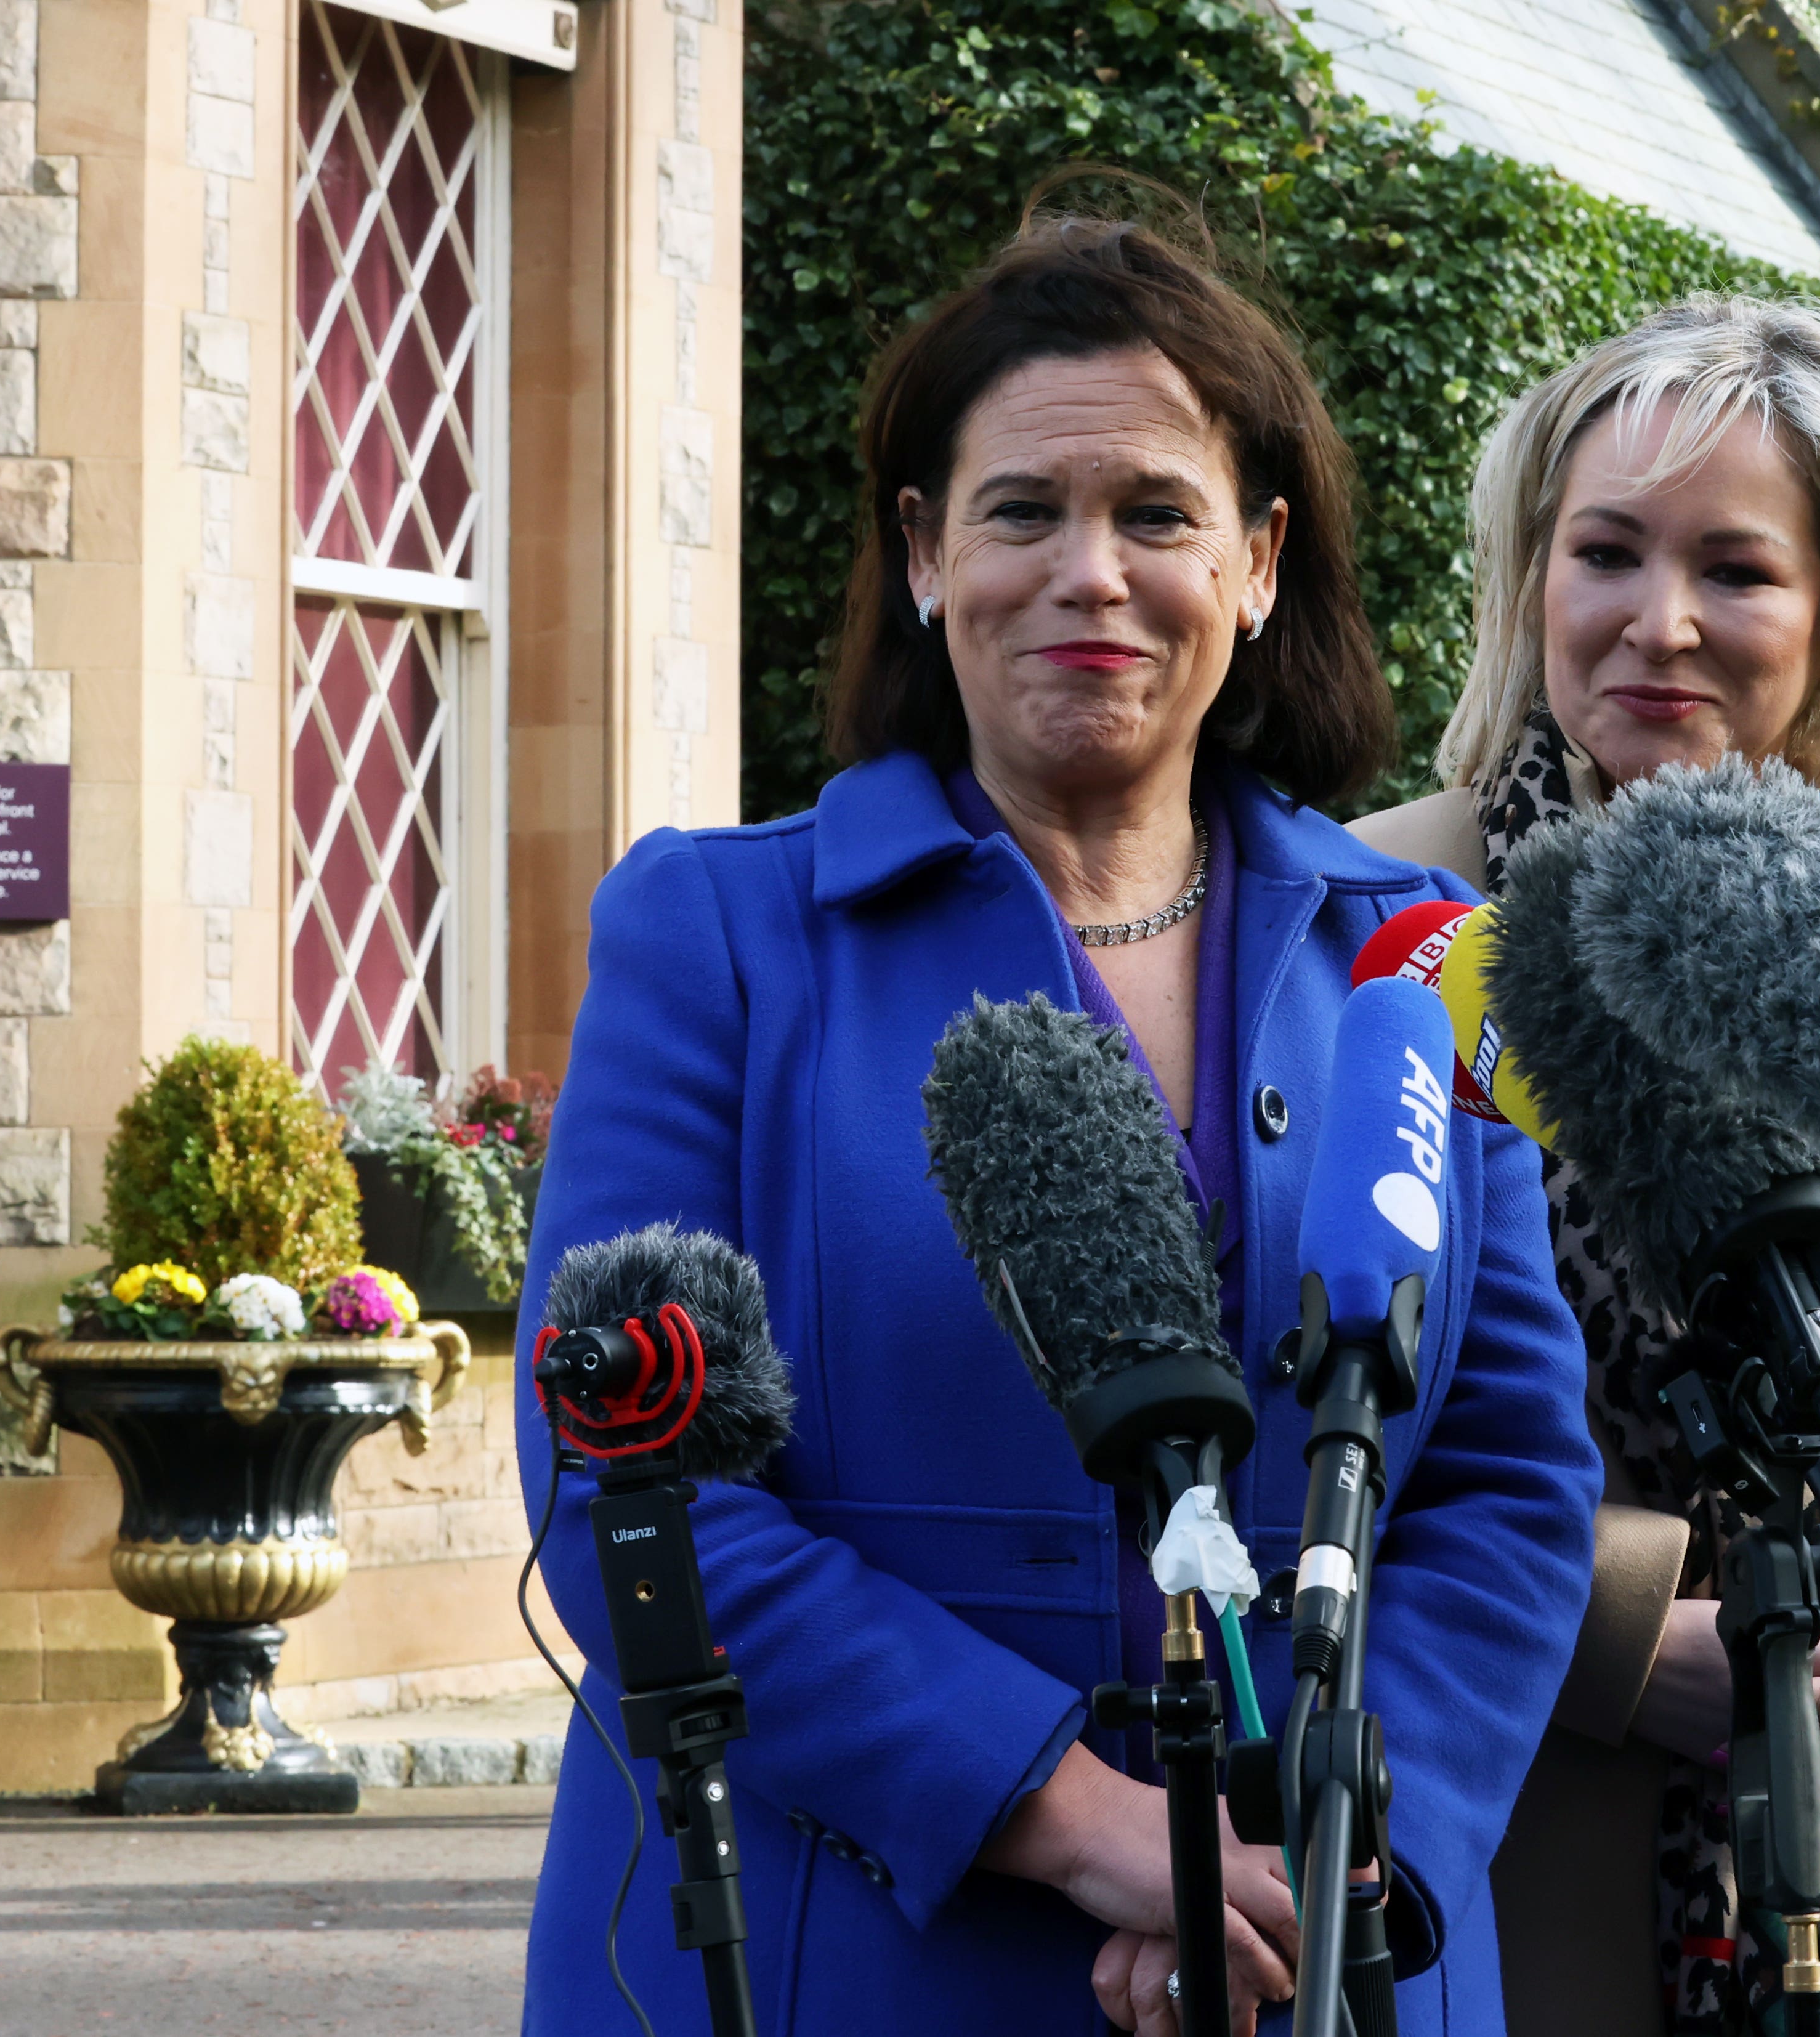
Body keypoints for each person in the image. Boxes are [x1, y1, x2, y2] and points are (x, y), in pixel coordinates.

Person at [516, 216, 1602, 2036]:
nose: (1089, 573)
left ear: (1258, 564)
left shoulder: (1422, 963)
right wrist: (1082, 1822)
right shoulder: (713, 938)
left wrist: (1331, 1862)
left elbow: (1506, 1477)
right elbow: (620, 1485)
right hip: (837, 1949)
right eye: (1021, 512)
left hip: (1321, 1961)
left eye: (1157, 515)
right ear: (927, 555)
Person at [1353, 296, 1820, 2037]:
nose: (1657, 623)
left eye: (1737, 570)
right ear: (1535, 576)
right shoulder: (1376, 919)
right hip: (1539, 1863)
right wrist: (1618, 1638)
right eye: (1606, 551)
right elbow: (1302, 1411)